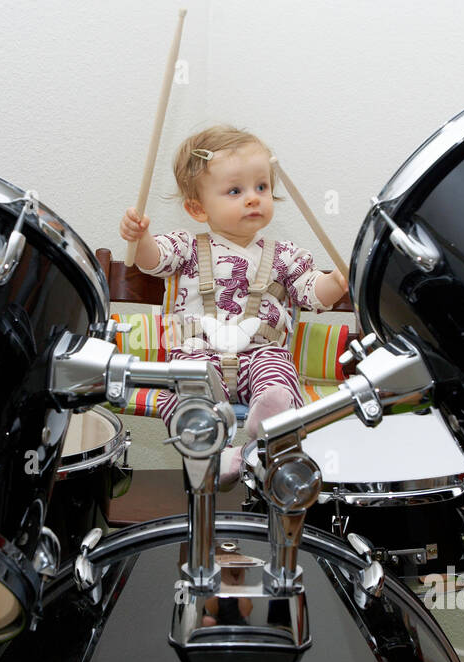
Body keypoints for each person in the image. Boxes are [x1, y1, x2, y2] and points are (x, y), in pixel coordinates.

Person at [119, 125, 348, 485]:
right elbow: (152, 261)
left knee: (277, 372)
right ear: (197, 208)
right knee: (185, 387)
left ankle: (264, 431)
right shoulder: (186, 246)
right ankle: (215, 451)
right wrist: (141, 237)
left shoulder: (287, 256)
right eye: (235, 190)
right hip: (199, 353)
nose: (253, 198)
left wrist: (335, 282)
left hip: (260, 351)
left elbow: (311, 293)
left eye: (262, 187)